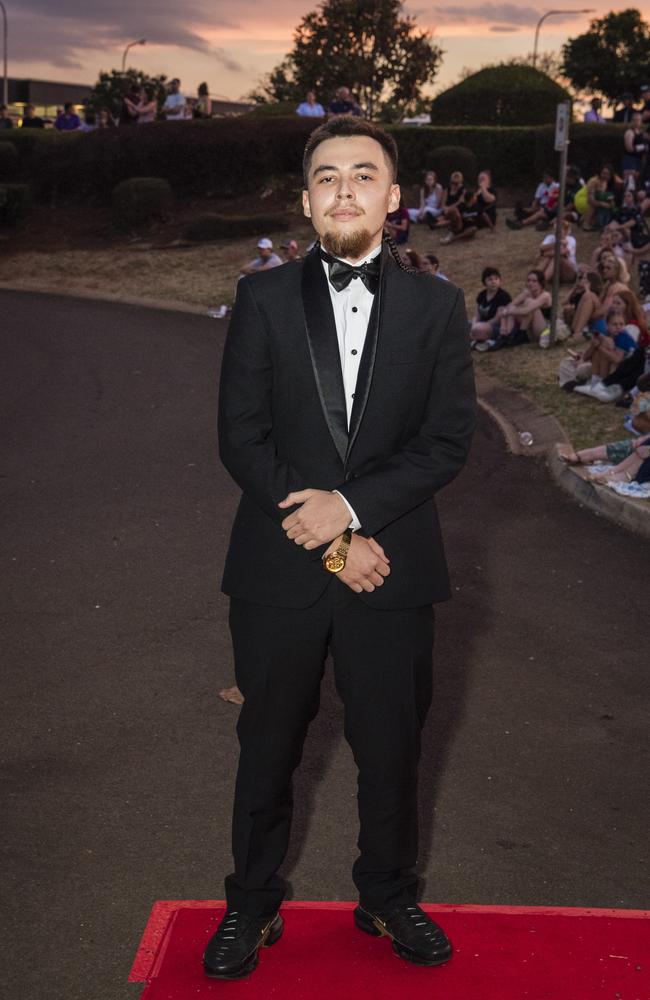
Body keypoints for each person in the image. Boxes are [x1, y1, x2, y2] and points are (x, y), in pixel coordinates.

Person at [206, 114, 475, 981]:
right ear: (308, 199)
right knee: (269, 744)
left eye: (364, 174)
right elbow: (241, 439)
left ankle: (387, 896)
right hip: (280, 567)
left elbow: (444, 444)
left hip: (392, 565)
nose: (346, 188)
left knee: (393, 747)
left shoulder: (439, 307)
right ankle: (250, 904)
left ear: (395, 198)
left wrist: (352, 511)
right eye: (327, 176)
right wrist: (328, 540)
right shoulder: (262, 297)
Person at [470, 267, 512, 348]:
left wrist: (477, 327)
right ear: (484, 282)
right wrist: (473, 326)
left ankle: (477, 340)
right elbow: (476, 315)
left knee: (479, 329)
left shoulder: (503, 296)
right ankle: (477, 339)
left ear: (500, 280)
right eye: (490, 279)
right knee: (462, 325)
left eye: (496, 279)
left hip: (495, 327)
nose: (493, 282)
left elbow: (497, 319)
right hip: (481, 324)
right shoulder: (482, 295)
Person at [534, 219, 577, 284]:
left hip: (569, 272)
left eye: (560, 229)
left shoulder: (571, 239)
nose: (556, 231)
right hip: (555, 273)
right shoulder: (550, 237)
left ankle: (541, 283)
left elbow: (563, 252)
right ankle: (535, 278)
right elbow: (541, 247)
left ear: (566, 231)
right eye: (555, 229)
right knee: (548, 258)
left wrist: (543, 254)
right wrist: (557, 243)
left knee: (556, 258)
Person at [582, 164, 621, 230]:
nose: (605, 176)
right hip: (584, 199)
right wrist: (602, 204)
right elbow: (590, 200)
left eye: (608, 174)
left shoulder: (615, 181)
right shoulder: (594, 181)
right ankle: (586, 222)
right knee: (593, 205)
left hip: (605, 201)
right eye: (603, 173)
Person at [622, 112, 649, 187]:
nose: (636, 122)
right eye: (635, 120)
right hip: (630, 159)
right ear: (632, 121)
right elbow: (629, 148)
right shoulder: (629, 132)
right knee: (629, 182)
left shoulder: (642, 133)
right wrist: (643, 147)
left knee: (637, 182)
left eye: (638, 120)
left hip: (640, 160)